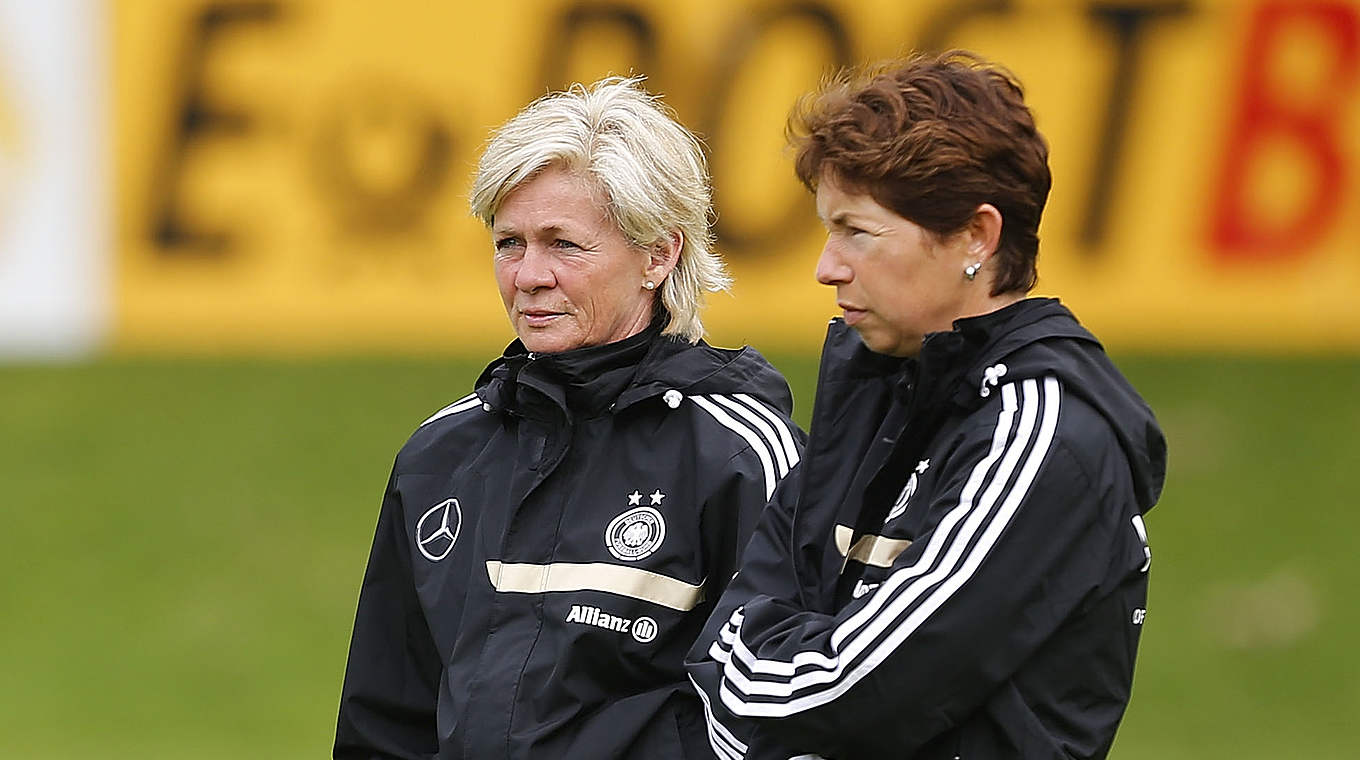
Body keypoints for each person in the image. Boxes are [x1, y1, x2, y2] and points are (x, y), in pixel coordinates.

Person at [686, 51, 1167, 760]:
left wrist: (751, 677)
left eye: (857, 231)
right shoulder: (878, 388)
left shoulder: (1041, 436)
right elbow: (730, 641)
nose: (827, 267)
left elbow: (846, 693)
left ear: (976, 235)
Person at [334, 77, 805, 759]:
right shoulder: (439, 454)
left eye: (564, 244)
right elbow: (385, 720)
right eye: (509, 243)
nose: (528, 275)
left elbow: (782, 721)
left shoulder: (738, 456)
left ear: (659, 255)